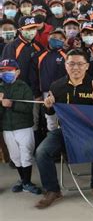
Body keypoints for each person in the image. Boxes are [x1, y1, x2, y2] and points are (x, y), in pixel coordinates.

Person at [36, 49, 93, 209]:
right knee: (42, 152)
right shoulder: (56, 86)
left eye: (80, 64)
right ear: (65, 65)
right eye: (71, 64)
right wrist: (48, 107)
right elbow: (51, 111)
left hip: (90, 132)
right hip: (65, 132)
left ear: (86, 66)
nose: (75, 67)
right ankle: (52, 190)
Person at [0, 59, 42, 195]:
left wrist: (11, 104)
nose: (6, 73)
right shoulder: (0, 88)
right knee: (15, 156)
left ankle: (27, 182)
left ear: (17, 72)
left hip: (23, 127)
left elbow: (28, 107)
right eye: (2, 71)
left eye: (9, 70)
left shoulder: (24, 87)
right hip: (7, 128)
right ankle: (23, 181)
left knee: (26, 155)